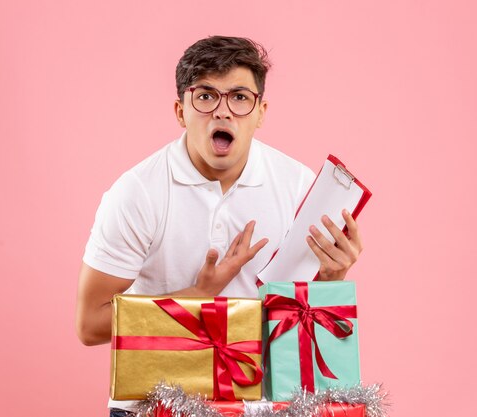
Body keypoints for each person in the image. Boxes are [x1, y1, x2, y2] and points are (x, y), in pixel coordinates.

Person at [76, 35, 363, 416]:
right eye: (206, 96)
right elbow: (90, 324)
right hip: (152, 404)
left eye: (240, 97)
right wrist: (197, 294)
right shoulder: (137, 193)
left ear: (261, 111)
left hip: (258, 404)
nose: (223, 111)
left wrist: (331, 277)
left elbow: (298, 319)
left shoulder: (296, 185)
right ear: (181, 111)